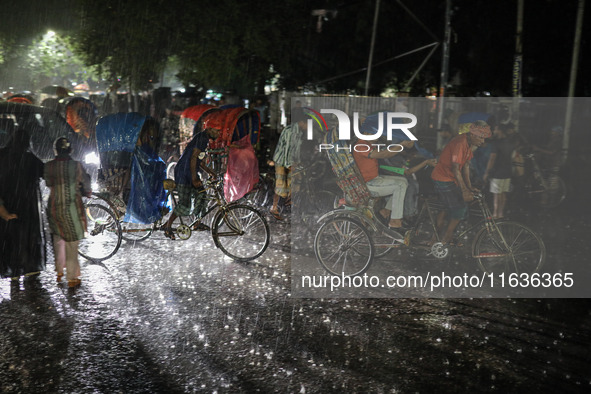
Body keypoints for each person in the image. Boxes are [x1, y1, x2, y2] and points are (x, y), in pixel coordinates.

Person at [431, 120, 491, 244]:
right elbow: (455, 168)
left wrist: (469, 187)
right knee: (460, 209)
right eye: (481, 137)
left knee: (447, 208)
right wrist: (464, 190)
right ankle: (447, 237)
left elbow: (466, 166)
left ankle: (435, 238)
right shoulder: (460, 143)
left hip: (450, 177)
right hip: (443, 178)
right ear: (473, 135)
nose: (483, 141)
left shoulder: (468, 143)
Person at [352, 113, 414, 229]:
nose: (378, 137)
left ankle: (385, 211)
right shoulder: (361, 145)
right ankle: (395, 221)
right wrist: (401, 145)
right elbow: (384, 154)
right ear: (367, 133)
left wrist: (402, 146)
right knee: (400, 185)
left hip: (374, 180)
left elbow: (386, 152)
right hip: (368, 184)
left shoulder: (368, 144)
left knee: (404, 181)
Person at [162, 118, 221, 239]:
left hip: (190, 172)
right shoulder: (202, 138)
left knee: (202, 195)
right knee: (184, 203)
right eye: (217, 130)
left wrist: (212, 173)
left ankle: (197, 223)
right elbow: (194, 158)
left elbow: (201, 162)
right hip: (184, 173)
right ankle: (167, 227)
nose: (219, 133)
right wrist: (194, 178)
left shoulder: (204, 139)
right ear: (209, 129)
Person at [44, 137, 91, 288]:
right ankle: (72, 277)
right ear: (70, 150)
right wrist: (86, 191)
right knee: (72, 243)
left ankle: (59, 272)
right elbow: (85, 183)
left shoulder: (48, 166)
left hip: (54, 207)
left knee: (58, 239)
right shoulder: (76, 165)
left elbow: (48, 183)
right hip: (72, 208)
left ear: (55, 150)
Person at [0, 129, 46, 283]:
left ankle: (13, 270)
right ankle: (27, 269)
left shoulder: (2, 156)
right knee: (27, 239)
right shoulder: (30, 159)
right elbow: (46, 173)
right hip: (27, 208)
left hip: (7, 206)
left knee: (10, 241)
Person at [269, 107, 308, 220]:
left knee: (295, 182)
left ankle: (291, 205)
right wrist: (290, 165)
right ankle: (274, 208)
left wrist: (299, 163)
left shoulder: (299, 132)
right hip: (282, 161)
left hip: (290, 161)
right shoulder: (290, 131)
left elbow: (296, 150)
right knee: (281, 185)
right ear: (302, 122)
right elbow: (287, 152)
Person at [483, 123, 515, 219]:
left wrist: (487, 172)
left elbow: (492, 158)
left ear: (500, 131)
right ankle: (501, 213)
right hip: (507, 172)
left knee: (497, 194)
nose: (494, 132)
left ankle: (495, 214)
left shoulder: (496, 143)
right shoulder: (510, 143)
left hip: (497, 172)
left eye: (496, 130)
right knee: (503, 193)